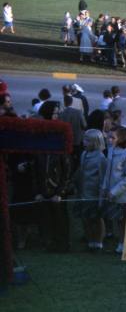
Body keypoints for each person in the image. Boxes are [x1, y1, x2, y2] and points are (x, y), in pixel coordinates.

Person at [35, 101, 72, 252]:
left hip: (57, 187)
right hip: (44, 186)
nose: (57, 116)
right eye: (55, 113)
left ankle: (62, 244)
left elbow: (66, 169)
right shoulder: (39, 135)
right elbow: (35, 167)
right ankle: (48, 242)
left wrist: (60, 191)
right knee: (45, 217)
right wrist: (37, 190)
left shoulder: (61, 135)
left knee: (60, 217)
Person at [101, 126, 126, 254]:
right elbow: (108, 172)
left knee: (123, 221)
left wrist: (114, 191)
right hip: (112, 193)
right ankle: (122, 242)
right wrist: (105, 187)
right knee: (118, 220)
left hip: (123, 195)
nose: (109, 140)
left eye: (113, 138)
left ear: (121, 139)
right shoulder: (111, 150)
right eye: (109, 137)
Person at [74, 129, 107, 252]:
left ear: (95, 142)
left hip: (94, 193)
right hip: (83, 192)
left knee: (96, 218)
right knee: (85, 218)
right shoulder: (84, 154)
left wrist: (101, 196)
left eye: (87, 140)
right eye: (84, 139)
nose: (84, 142)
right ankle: (90, 240)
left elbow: (103, 178)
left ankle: (98, 242)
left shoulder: (101, 158)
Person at [59, 95, 87, 168]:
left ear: (64, 103)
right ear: (72, 102)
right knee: (77, 160)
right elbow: (84, 125)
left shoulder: (61, 114)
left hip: (65, 141)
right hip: (77, 140)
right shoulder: (78, 112)